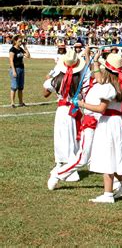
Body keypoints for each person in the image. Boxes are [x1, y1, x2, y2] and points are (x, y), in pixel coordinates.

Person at [81, 53, 122, 203]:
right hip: (115, 122)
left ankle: (108, 194)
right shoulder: (119, 85)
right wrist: (96, 61)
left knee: (107, 155)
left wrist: (82, 104)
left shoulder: (109, 87)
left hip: (109, 122)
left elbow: (101, 109)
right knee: (114, 153)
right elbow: (99, 78)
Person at [43, 49, 85, 183]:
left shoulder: (56, 79)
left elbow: (45, 93)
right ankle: (64, 163)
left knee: (62, 136)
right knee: (71, 137)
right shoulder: (80, 78)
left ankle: (65, 166)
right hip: (73, 109)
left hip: (62, 110)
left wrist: (49, 79)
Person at [9, 35, 30, 108]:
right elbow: (11, 61)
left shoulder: (21, 49)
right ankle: (12, 103)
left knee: (20, 87)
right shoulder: (12, 50)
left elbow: (28, 56)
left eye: (21, 41)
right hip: (15, 69)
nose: (21, 42)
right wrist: (14, 71)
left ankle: (21, 102)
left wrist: (25, 47)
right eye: (19, 41)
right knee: (14, 87)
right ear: (15, 41)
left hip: (21, 69)